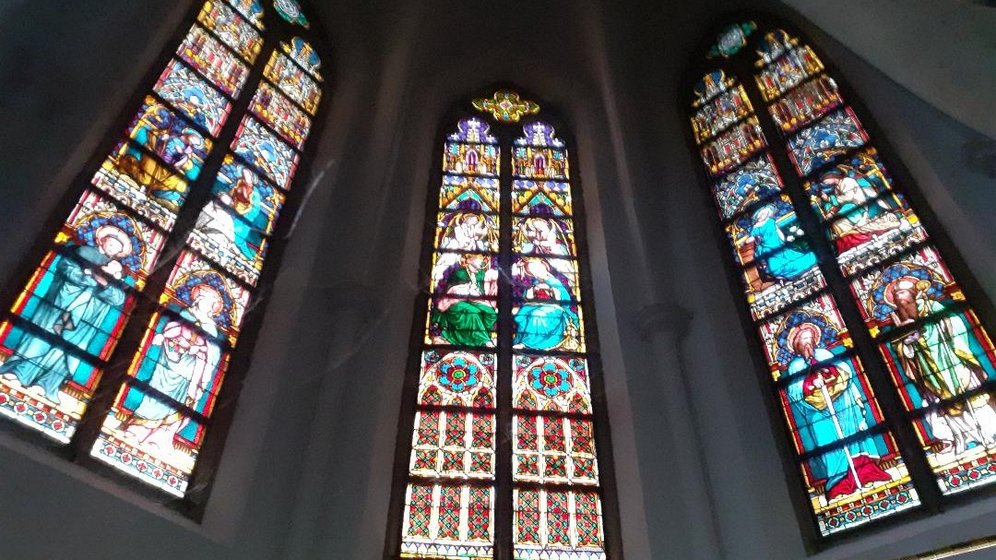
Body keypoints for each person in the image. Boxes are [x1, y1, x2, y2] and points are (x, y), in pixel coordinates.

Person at [0, 225, 131, 404]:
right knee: (42, 337)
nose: (112, 248)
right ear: (101, 241)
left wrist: (105, 283)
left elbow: (118, 298)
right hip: (61, 305)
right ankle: (19, 372)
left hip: (85, 321)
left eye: (117, 248)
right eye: (111, 243)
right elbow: (66, 268)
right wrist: (89, 277)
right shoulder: (83, 252)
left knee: (67, 350)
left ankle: (47, 385)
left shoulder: (116, 272)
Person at [887, 277, 996, 454]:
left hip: (950, 360)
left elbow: (954, 323)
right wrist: (906, 344)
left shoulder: (932, 307)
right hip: (927, 370)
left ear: (913, 294)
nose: (899, 299)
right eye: (896, 297)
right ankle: (959, 438)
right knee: (941, 404)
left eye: (902, 293)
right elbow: (899, 348)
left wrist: (936, 327)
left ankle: (987, 433)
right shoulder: (898, 320)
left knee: (970, 394)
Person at [784, 321, 891, 499]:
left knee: (854, 434)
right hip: (818, 411)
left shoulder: (823, 353)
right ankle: (838, 480)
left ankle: (866, 472)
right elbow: (794, 391)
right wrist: (810, 384)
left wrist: (829, 373)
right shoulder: (795, 366)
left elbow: (845, 370)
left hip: (843, 404)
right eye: (804, 339)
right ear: (797, 344)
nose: (808, 342)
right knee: (825, 439)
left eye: (810, 337)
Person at [122, 282, 224, 449]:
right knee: (155, 392)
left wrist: (200, 349)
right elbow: (171, 327)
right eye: (200, 297)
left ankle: (161, 436)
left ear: (212, 307)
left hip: (190, 370)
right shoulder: (186, 314)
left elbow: (214, 352)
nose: (200, 301)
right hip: (168, 360)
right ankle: (137, 428)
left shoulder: (210, 328)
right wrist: (167, 336)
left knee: (179, 401)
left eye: (205, 300)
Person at [819, 171, 902, 253]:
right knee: (836, 224)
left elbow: (849, 197)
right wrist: (831, 213)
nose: (826, 183)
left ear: (832, 176)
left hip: (859, 207)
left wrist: (829, 199)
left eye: (825, 181)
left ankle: (860, 238)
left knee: (840, 223)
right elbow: (839, 204)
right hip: (850, 208)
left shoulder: (848, 181)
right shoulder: (836, 188)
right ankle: (852, 241)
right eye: (824, 183)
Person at [430, 254, 498, 347]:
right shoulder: (459, 274)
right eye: (479, 260)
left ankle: (477, 340)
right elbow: (451, 292)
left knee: (491, 313)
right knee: (473, 313)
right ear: (469, 260)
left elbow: (484, 287)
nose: (481, 263)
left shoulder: (479, 274)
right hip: (455, 303)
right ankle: (485, 341)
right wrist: (465, 289)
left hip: (474, 300)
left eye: (482, 260)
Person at [512, 258, 579, 351]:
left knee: (537, 314)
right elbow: (527, 297)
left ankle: (528, 343)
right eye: (533, 271)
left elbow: (564, 300)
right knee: (522, 314)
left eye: (537, 268)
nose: (536, 272)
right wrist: (532, 291)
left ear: (544, 266)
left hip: (555, 307)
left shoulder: (554, 281)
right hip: (537, 305)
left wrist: (550, 289)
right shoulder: (536, 282)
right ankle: (521, 340)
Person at [747, 204, 817, 281]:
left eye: (766, 213)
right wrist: (749, 240)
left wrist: (784, 240)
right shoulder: (756, 227)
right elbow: (751, 237)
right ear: (757, 216)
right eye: (762, 214)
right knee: (774, 268)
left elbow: (778, 231)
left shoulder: (771, 221)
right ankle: (786, 274)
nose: (764, 216)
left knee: (799, 258)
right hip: (768, 249)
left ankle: (792, 272)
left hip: (780, 246)